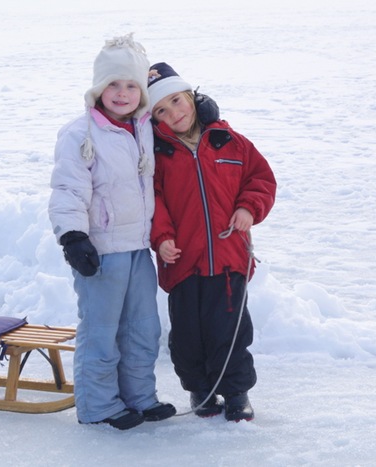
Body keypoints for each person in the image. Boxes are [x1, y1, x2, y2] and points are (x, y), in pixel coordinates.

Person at [48, 34, 175, 430]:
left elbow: (182, 119)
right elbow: (68, 189)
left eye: (132, 85)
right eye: (113, 84)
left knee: (143, 328)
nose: (122, 94)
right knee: (102, 332)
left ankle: (140, 397)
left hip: (138, 247)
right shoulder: (80, 134)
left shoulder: (146, 127)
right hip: (101, 251)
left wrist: (204, 111)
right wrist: (73, 236)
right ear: (98, 88)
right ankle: (100, 405)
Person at [146, 63, 277, 422]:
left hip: (229, 256)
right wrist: (162, 237)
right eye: (161, 110)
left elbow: (260, 179)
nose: (174, 113)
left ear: (191, 96)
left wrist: (248, 208)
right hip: (183, 260)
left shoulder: (230, 141)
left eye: (176, 101)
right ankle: (200, 390)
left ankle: (236, 393)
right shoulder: (158, 154)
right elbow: (152, 200)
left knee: (229, 330)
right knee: (188, 334)